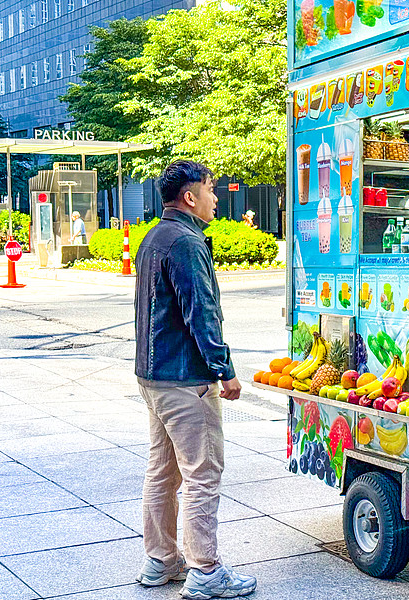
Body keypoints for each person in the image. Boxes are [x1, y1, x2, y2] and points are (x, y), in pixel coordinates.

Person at [134, 160, 256, 599]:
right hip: (187, 379)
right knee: (202, 474)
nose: (216, 197)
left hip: (153, 377)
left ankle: (160, 560)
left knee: (162, 471)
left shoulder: (152, 237)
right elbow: (199, 312)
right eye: (211, 189)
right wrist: (224, 369)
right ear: (190, 197)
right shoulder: (186, 242)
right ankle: (205, 571)